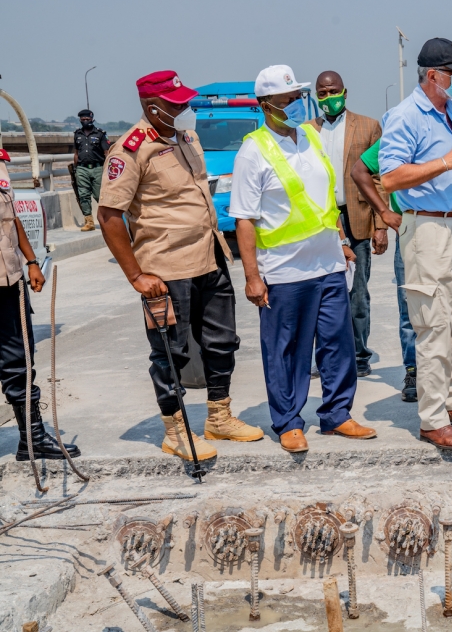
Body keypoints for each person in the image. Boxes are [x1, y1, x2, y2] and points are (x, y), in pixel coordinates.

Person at [98, 70, 262, 462]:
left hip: (210, 256)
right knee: (171, 352)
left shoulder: (188, 137)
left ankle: (219, 416)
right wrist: (136, 275)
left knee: (222, 342)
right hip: (166, 269)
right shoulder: (130, 151)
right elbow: (109, 216)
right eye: (176, 105)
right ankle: (175, 430)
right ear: (153, 107)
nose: (185, 109)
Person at [230, 65, 377, 454]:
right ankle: (288, 421)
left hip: (328, 263)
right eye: (286, 100)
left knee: (337, 343)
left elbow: (325, 198)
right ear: (265, 105)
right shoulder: (253, 150)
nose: (295, 105)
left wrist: (342, 240)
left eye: (297, 98)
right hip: (283, 270)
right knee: (286, 350)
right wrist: (251, 277)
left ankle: (337, 414)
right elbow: (244, 219)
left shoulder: (311, 137)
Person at [379, 38, 452, 451]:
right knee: (433, 325)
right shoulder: (405, 116)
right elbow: (389, 177)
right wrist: (446, 162)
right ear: (433, 75)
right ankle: (432, 419)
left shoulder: (450, 113)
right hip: (426, 230)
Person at [353, 131, 452, 403]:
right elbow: (361, 171)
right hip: (416, 231)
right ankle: (413, 371)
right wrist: (384, 212)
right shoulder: (402, 134)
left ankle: (449, 387)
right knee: (414, 310)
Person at [1, 149, 81, 461]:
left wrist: (31, 261)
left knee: (19, 361)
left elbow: (11, 220)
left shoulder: (1, 164)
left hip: (8, 281)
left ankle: (31, 439)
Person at [307, 70, 385, 378]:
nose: (328, 98)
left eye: (333, 91)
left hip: (357, 220)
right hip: (320, 223)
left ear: (345, 92)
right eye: (322, 93)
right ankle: (324, 356)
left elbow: (378, 180)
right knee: (319, 291)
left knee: (357, 293)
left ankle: (358, 355)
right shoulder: (304, 131)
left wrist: (380, 225)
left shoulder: (367, 127)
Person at [73, 109, 111, 232]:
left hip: (98, 168)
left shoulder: (100, 134)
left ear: (92, 119)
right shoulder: (77, 134)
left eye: (87, 120)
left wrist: (108, 170)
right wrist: (75, 169)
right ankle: (89, 222)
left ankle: (108, 220)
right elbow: (76, 153)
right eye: (82, 120)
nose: (85, 122)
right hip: (82, 168)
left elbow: (107, 153)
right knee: (83, 195)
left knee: (99, 195)